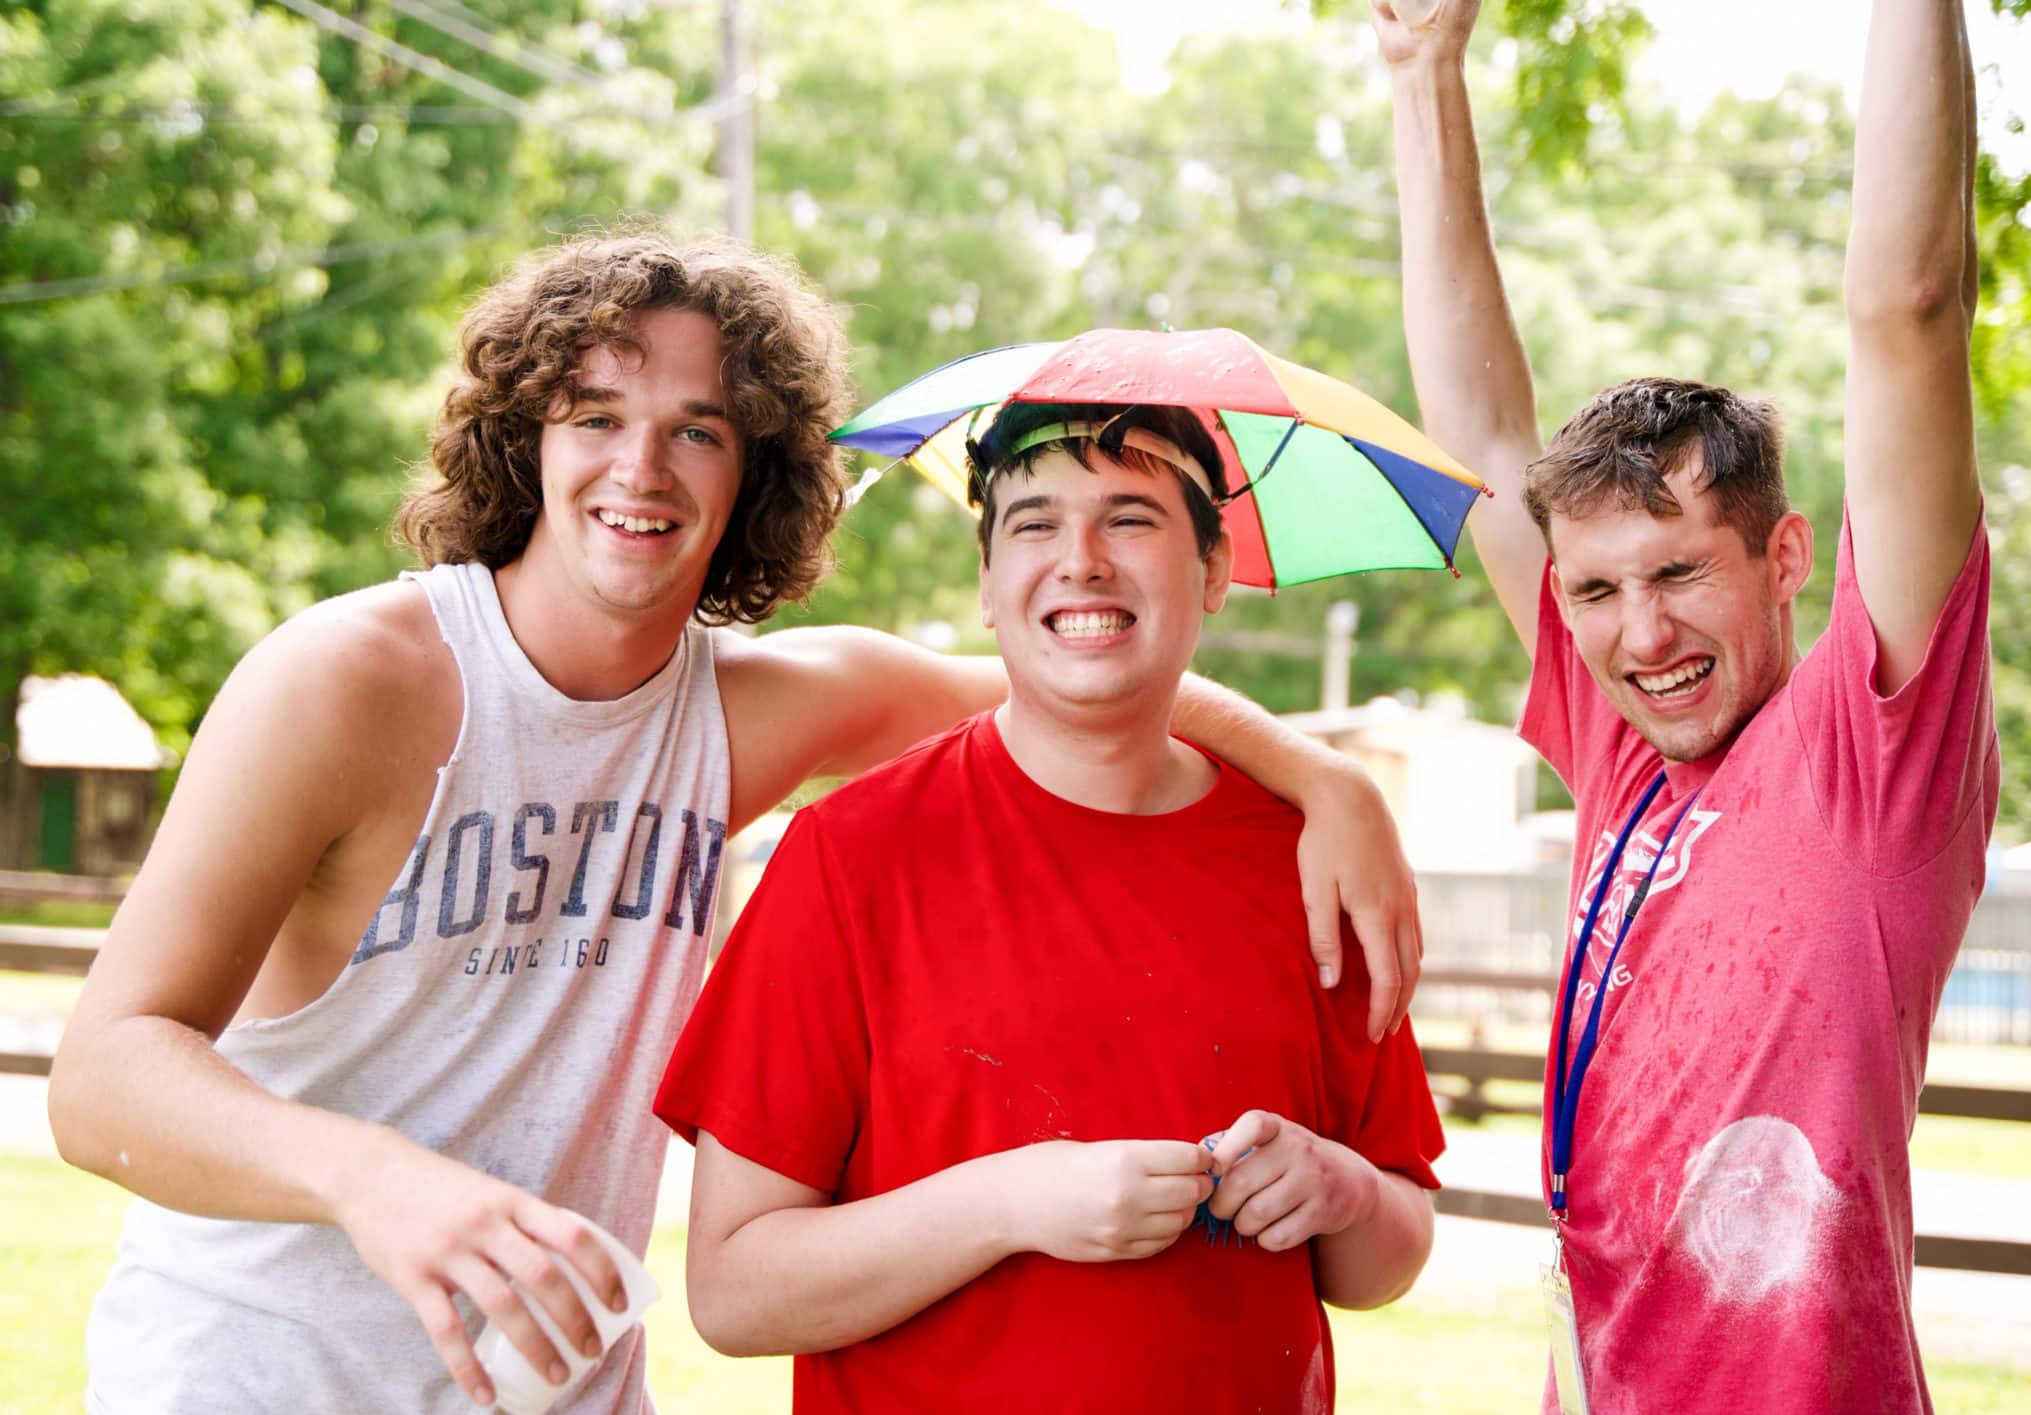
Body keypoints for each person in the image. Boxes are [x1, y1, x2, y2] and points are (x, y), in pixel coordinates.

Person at [46, 232, 1425, 1414]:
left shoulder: (759, 710)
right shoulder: (354, 680)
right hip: (263, 1372)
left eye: (696, 429)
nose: (641, 466)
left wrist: (1327, 781)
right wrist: (376, 1181)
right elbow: (102, 1072)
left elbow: (1089, 669)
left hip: (561, 1384)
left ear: (751, 470)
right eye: (595, 416)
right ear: (526, 440)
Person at [1372, 1, 1993, 1409]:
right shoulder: (1622, 745)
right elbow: (1479, 436)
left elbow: (1909, 308)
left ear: (1785, 557)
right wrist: (1423, 69)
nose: (1640, 633)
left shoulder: (1872, 743)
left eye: (1679, 572)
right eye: (1595, 589)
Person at [655, 401, 1446, 1413]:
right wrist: (1009, 1202)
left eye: (1130, 518)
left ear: (1212, 570)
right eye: (1035, 523)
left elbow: (1385, 1257)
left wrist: (1343, 1189)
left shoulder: (1311, 865)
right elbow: (732, 1291)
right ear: (988, 581)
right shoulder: (847, 859)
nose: (1080, 561)